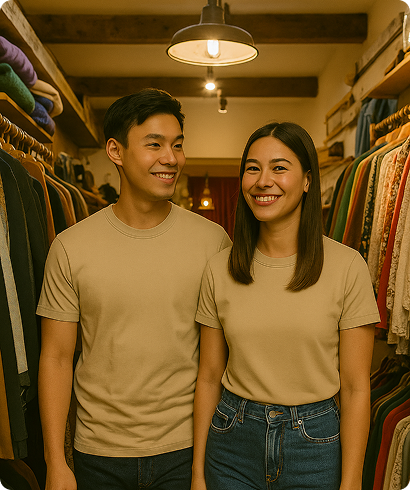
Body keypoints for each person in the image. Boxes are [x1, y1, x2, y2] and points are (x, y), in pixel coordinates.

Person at [36, 88, 231, 490]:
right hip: (98, 454)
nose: (171, 158)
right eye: (154, 144)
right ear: (115, 150)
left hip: (186, 450)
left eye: (177, 145)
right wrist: (56, 461)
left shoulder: (213, 242)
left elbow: (223, 359)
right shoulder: (71, 247)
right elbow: (56, 357)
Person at [191, 122, 380, 490]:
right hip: (232, 439)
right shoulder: (219, 268)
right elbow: (209, 377)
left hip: (315, 444)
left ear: (307, 180)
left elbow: (357, 387)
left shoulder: (347, 266)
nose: (263, 181)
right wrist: (198, 474)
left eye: (279, 167)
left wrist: (352, 480)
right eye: (252, 168)